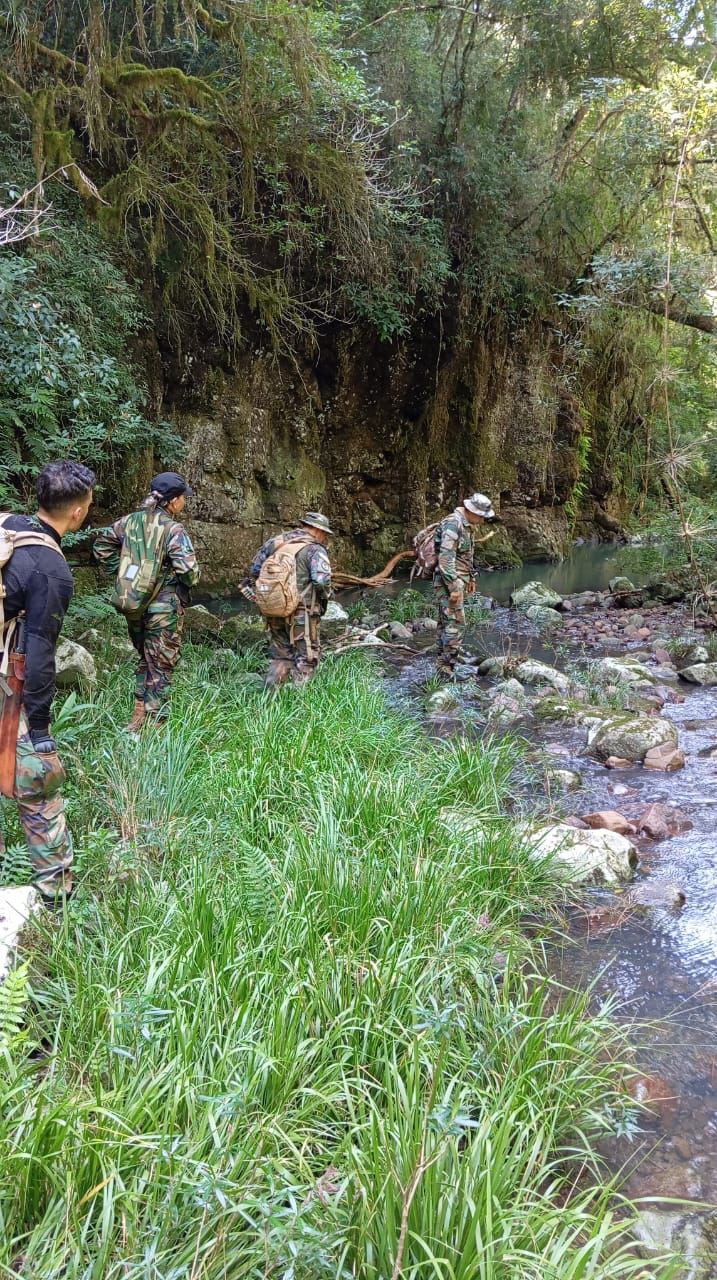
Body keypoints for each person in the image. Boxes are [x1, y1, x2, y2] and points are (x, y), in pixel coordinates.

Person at [0, 460, 95, 905]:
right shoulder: (52, 571)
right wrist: (39, 733)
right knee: (39, 784)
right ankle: (56, 894)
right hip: (9, 682)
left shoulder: (9, 527)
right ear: (77, 512)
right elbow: (37, 656)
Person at [93, 473, 200, 730]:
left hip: (134, 604)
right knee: (161, 664)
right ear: (173, 501)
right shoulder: (173, 529)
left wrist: (126, 573)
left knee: (145, 658)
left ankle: (137, 718)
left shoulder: (128, 522)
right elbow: (190, 573)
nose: (184, 502)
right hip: (163, 608)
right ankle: (156, 726)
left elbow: (101, 547)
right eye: (183, 497)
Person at [250, 512, 333, 687]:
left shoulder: (275, 543)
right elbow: (321, 581)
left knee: (280, 656)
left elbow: (255, 571)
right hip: (302, 613)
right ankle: (300, 705)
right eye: (325, 533)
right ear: (318, 530)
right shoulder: (314, 549)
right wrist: (324, 599)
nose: (324, 538)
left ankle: (270, 702)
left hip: (274, 609)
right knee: (306, 657)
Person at [434, 492, 496, 673]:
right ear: (472, 511)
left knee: (447, 621)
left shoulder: (466, 524)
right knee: (456, 623)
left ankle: (445, 659)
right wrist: (454, 587)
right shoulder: (454, 524)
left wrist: (472, 578)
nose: (483, 521)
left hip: (459, 579)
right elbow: (445, 559)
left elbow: (465, 557)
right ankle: (447, 667)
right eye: (482, 516)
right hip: (449, 582)